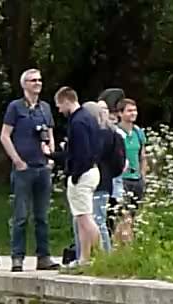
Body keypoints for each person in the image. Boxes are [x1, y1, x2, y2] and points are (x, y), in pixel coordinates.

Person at [0, 68, 58, 272]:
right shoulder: (15, 107)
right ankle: (17, 256)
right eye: (33, 80)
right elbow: (5, 135)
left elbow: (50, 133)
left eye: (40, 80)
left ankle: (44, 256)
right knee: (21, 215)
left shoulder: (45, 108)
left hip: (42, 167)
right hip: (24, 168)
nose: (37, 83)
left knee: (42, 215)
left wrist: (51, 157)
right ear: (24, 84)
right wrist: (17, 160)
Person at [55, 88, 101, 267]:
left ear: (67, 101)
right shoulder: (89, 118)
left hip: (83, 174)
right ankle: (85, 258)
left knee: (84, 219)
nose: (59, 110)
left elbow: (82, 153)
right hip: (92, 171)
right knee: (82, 218)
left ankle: (102, 256)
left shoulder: (78, 122)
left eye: (59, 105)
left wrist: (74, 176)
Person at [87, 101, 124, 254]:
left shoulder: (98, 135)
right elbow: (119, 163)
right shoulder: (114, 134)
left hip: (97, 181)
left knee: (96, 220)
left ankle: (101, 254)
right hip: (106, 181)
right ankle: (102, 253)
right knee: (99, 220)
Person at [116, 98, 147, 244]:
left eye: (134, 110)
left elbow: (143, 156)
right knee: (124, 216)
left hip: (136, 178)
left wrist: (143, 176)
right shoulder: (116, 132)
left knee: (132, 217)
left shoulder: (138, 132)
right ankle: (126, 247)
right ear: (120, 113)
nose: (133, 113)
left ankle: (118, 247)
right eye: (129, 110)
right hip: (122, 178)